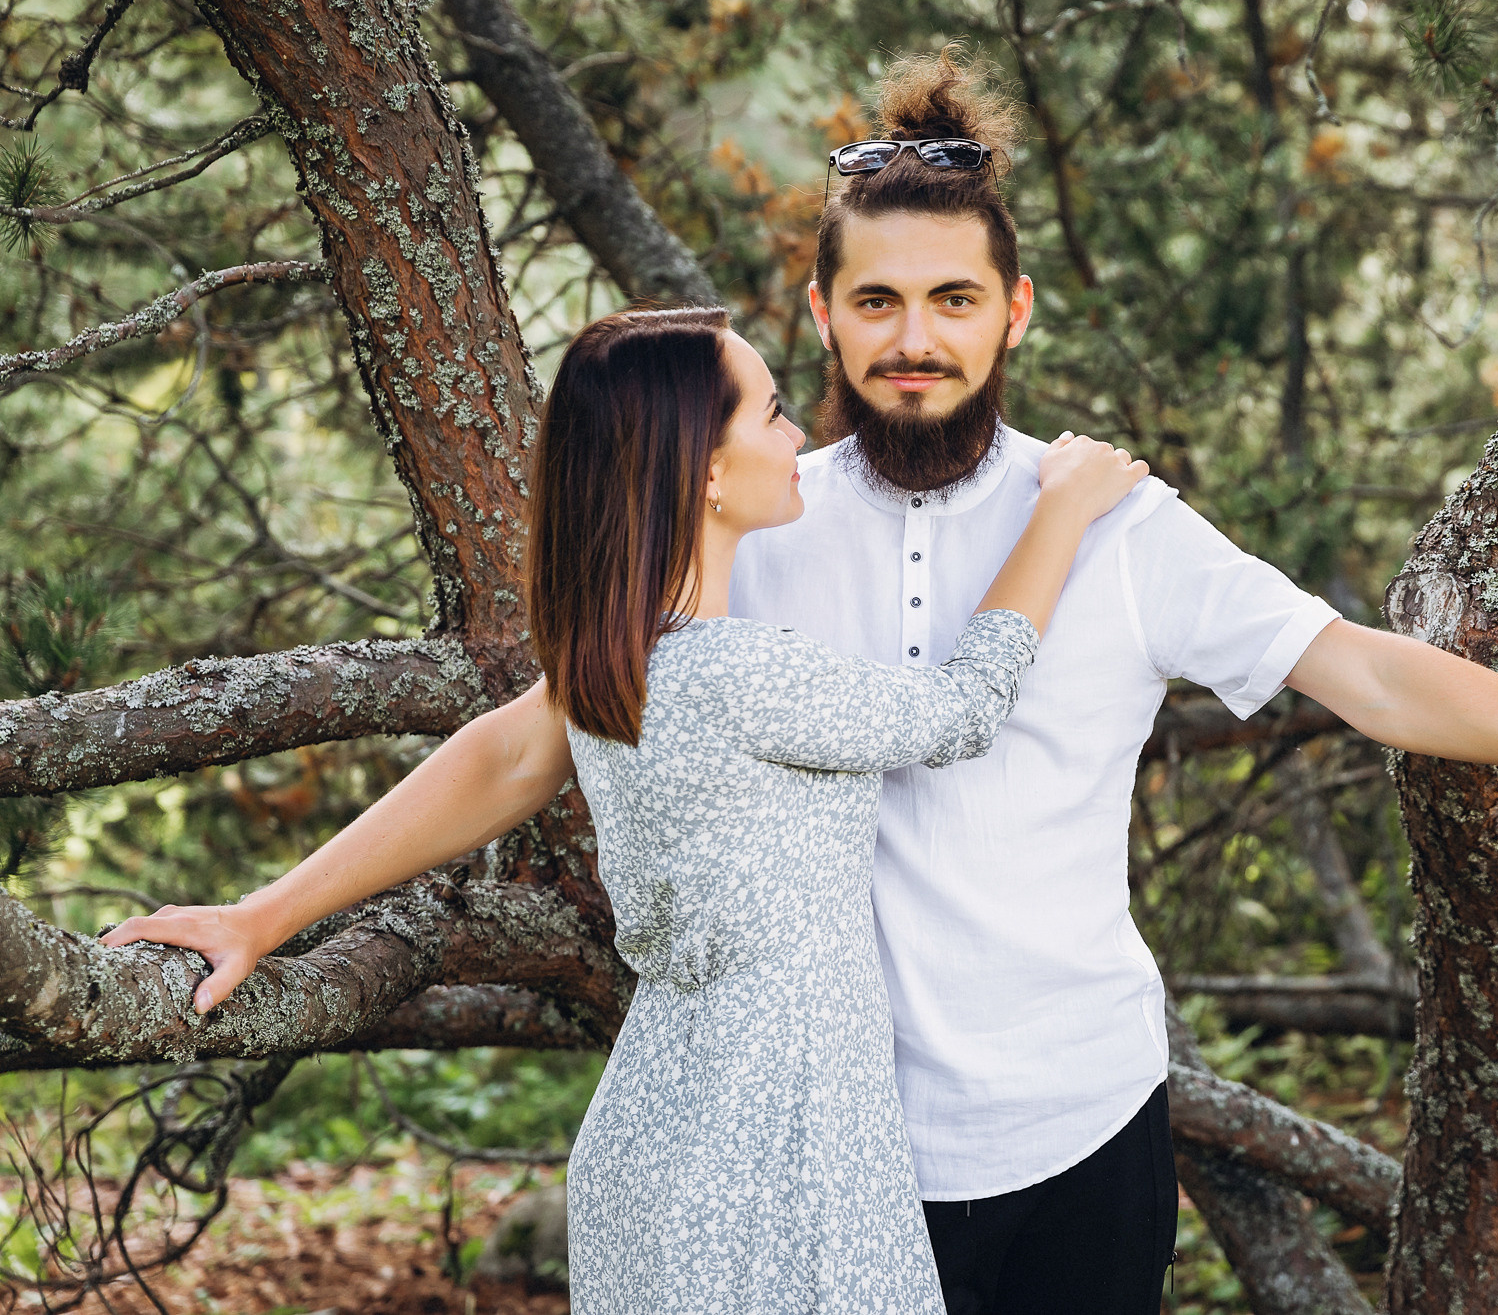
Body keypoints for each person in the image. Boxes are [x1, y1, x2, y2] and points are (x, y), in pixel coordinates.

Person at [719, 49, 1498, 1314]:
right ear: (820, 314)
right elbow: (581, 710)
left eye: (951, 300)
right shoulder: (752, 526)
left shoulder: (1114, 525)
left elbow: (1369, 677)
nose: (913, 340)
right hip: (831, 1143)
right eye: (875, 303)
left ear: (1014, 309)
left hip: (1078, 1131)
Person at [99, 305, 1153, 1314]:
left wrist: (264, 915)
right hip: (771, 1149)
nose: (800, 431)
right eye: (773, 411)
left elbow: (504, 754)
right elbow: (960, 711)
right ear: (702, 469)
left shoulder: (626, 659)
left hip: (671, 1139)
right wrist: (1061, 504)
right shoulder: (739, 671)